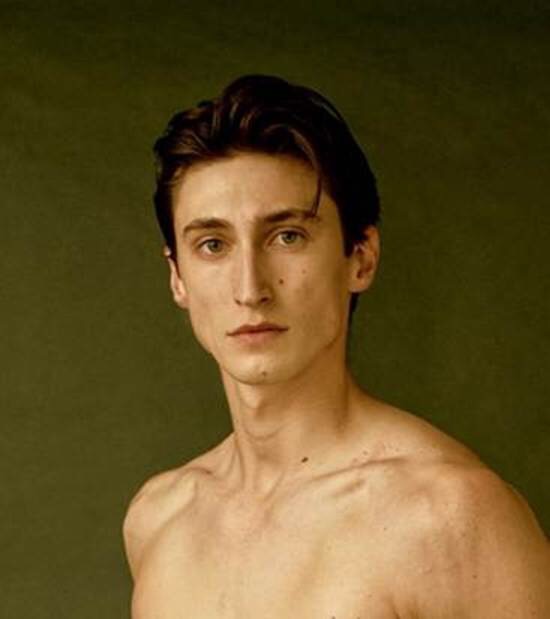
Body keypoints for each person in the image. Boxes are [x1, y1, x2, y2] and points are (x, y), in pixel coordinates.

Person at [123, 74, 550, 618]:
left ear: (361, 258)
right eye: (212, 245)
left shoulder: (450, 515)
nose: (250, 288)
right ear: (178, 277)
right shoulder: (159, 519)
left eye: (288, 236)